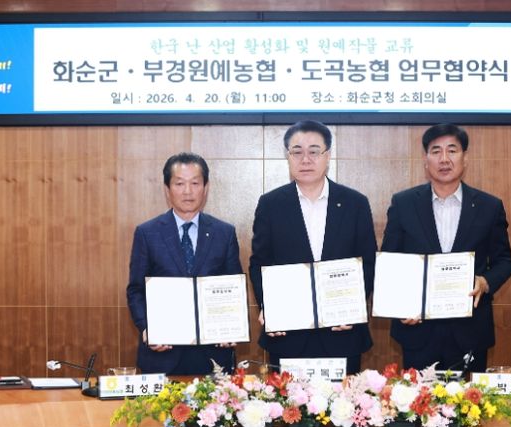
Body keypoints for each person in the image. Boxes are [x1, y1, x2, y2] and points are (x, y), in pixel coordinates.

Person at [381, 123, 511, 373]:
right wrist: (401, 305)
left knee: (471, 399)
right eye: (436, 151)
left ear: (465, 157)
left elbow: (504, 261)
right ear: (425, 159)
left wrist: (485, 282)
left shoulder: (489, 206)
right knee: (417, 399)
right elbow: (389, 261)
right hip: (418, 330)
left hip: (470, 331)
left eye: (452, 150)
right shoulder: (403, 204)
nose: (444, 159)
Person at [249, 120, 377, 375]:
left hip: (342, 333)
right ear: (288, 156)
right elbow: (260, 262)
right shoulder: (271, 204)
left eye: (314, 151)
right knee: (285, 402)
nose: (305, 159)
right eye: (297, 152)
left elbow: (368, 262)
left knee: (345, 401)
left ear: (327, 156)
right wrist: (270, 307)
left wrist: (351, 308)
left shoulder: (355, 203)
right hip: (288, 334)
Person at [126, 152, 243, 375]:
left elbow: (234, 286)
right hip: (163, 353)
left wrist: (232, 327)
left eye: (195, 183)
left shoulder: (224, 233)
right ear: (167, 189)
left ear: (206, 188)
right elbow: (135, 290)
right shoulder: (147, 233)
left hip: (213, 355)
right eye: (179, 183)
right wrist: (147, 328)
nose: (187, 191)